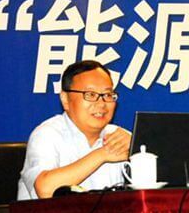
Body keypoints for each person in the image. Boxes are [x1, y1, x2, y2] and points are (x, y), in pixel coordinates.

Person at [17, 60, 131, 199]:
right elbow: (45, 190)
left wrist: (136, 149)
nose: (101, 103)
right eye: (90, 95)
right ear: (65, 99)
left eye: (107, 95)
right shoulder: (46, 135)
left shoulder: (119, 136)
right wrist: (102, 155)